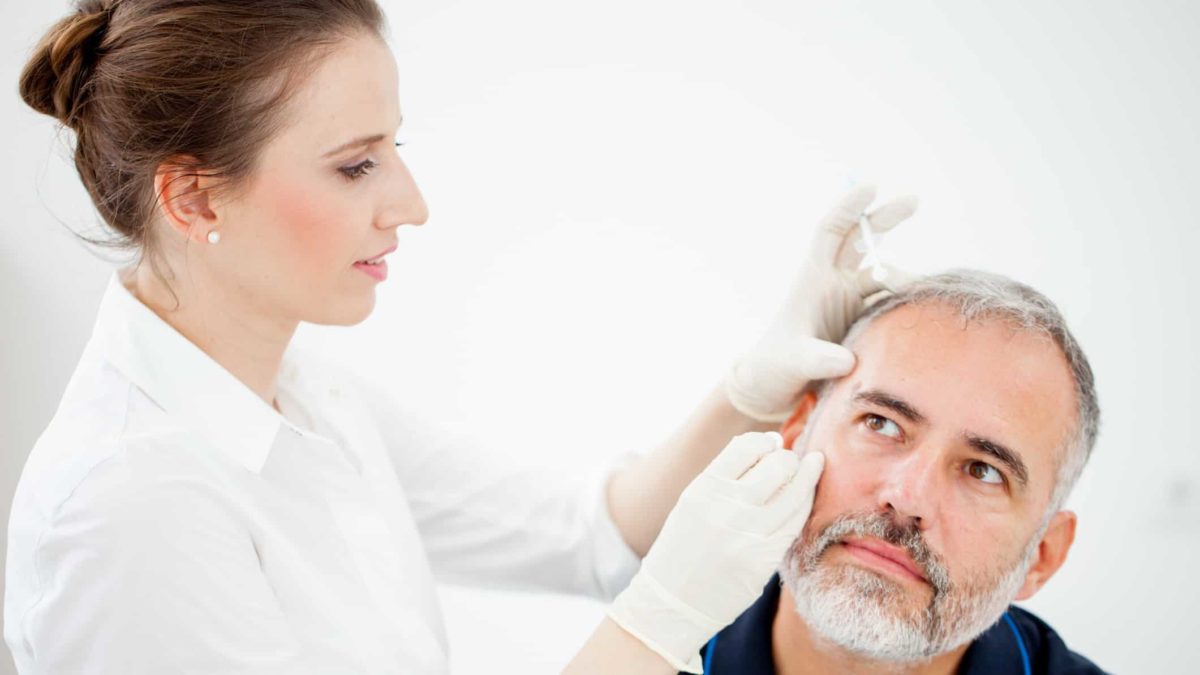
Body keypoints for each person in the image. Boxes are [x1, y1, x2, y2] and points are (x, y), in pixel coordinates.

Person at [6, 1, 919, 673]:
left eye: (394, 147)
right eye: (356, 164)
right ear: (194, 196)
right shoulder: (130, 506)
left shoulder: (300, 393)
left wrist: (749, 393)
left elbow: (591, 534)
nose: (411, 204)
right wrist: (665, 617)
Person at [687, 270, 1109, 674]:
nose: (908, 498)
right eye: (881, 424)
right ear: (797, 433)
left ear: (1042, 556)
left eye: (983, 471)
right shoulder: (653, 644)